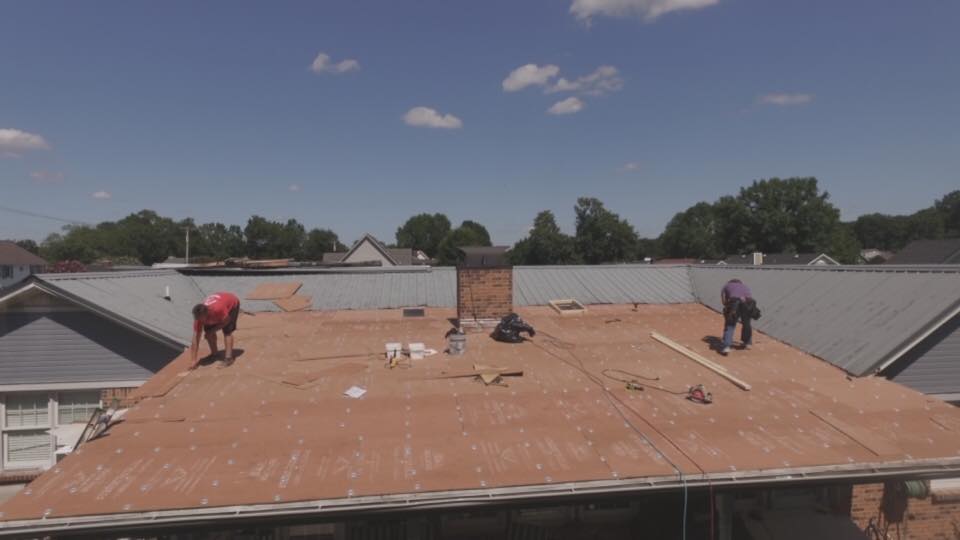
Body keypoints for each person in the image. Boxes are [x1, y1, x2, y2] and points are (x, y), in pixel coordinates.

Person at [189, 291, 240, 369]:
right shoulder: (199, 318)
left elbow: (226, 321)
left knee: (227, 331)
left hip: (232, 304)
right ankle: (214, 354)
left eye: (201, 319)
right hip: (219, 302)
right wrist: (193, 360)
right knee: (208, 332)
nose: (199, 321)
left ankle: (229, 358)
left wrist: (212, 331)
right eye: (197, 319)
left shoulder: (218, 309)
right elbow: (195, 338)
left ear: (206, 314)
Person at [720, 278, 755, 355]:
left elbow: (724, 300)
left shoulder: (726, 286)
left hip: (734, 303)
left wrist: (727, 309)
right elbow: (749, 297)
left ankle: (726, 346)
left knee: (730, 325)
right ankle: (747, 343)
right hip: (749, 303)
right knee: (747, 324)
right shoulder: (745, 286)